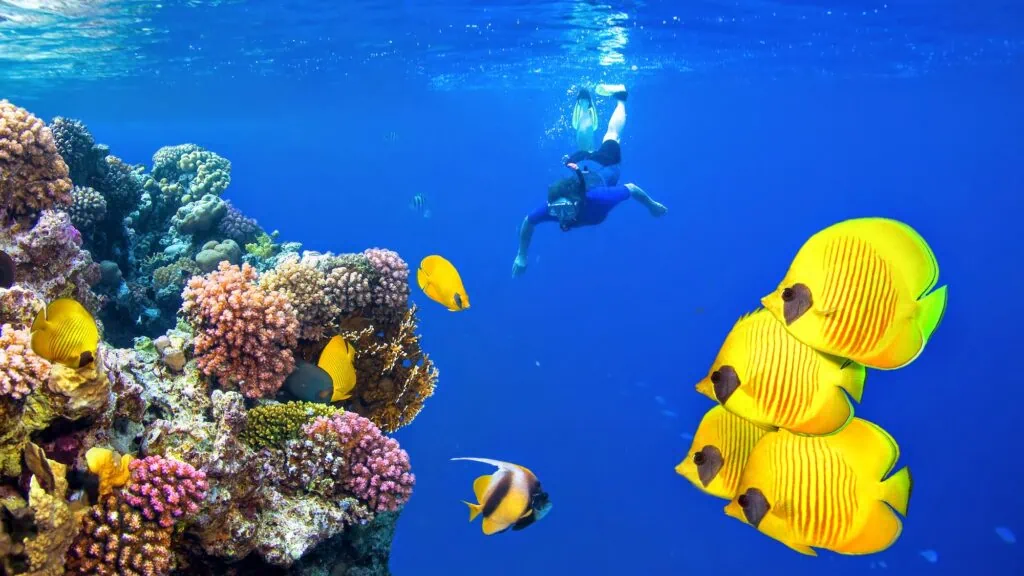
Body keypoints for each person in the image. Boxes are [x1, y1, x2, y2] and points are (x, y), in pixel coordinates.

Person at [511, 83, 667, 278]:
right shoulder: (554, 207)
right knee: (591, 145)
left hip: (606, 165)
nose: (561, 216)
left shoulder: (599, 197)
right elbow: (528, 221)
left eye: (564, 210)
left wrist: (651, 205)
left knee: (613, 135)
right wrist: (521, 255)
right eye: (557, 211)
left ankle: (620, 97)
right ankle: (585, 107)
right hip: (582, 165)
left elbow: (632, 188)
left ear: (577, 202)